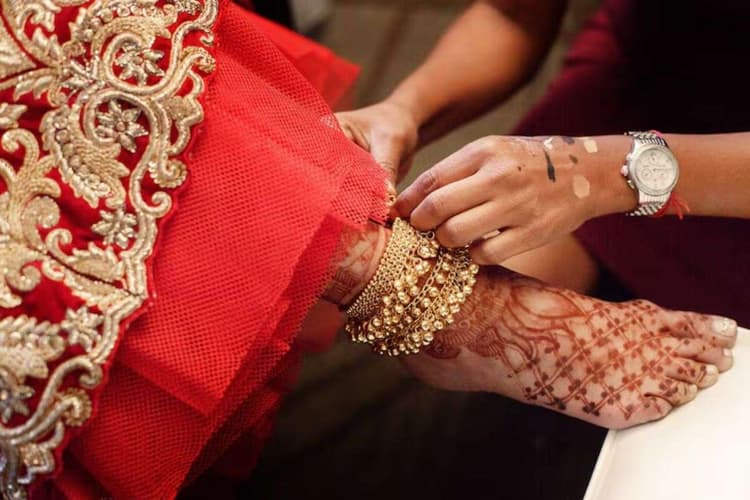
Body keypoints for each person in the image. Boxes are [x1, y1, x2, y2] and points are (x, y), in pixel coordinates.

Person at [0, 1, 735, 498]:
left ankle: (434, 306)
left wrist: (615, 172)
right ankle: (440, 310)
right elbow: (512, 13)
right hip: (640, 89)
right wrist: (404, 111)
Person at [336, 0, 750, 326]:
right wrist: (405, 110)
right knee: (456, 297)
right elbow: (512, 15)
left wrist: (599, 174)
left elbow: (590, 172)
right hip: (649, 74)